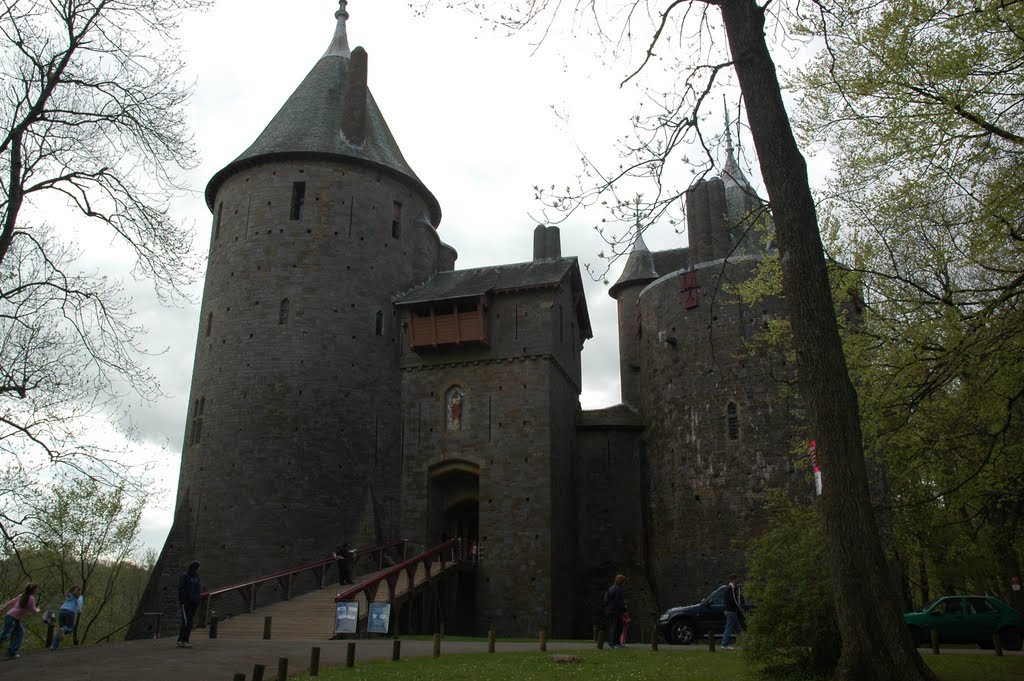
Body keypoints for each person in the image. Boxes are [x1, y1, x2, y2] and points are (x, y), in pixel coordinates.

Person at [0, 582, 40, 659]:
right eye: (36, 589)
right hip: (12, 618)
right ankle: (11, 653)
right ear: (33, 590)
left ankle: (11, 653)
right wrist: (38, 609)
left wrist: (3, 608)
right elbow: (34, 611)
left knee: (19, 633)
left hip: (11, 616)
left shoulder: (23, 595)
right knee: (5, 634)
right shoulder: (31, 598)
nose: (37, 590)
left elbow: (11, 602)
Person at [50, 585, 83, 651]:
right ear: (79, 591)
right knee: (70, 628)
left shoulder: (68, 595)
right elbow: (79, 606)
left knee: (62, 629)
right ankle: (63, 630)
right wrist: (79, 611)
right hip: (70, 612)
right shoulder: (79, 597)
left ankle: (53, 646)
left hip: (62, 611)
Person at [177, 560, 201, 648]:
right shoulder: (185, 576)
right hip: (186, 603)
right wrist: (183, 601)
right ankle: (184, 640)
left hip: (194, 602)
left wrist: (198, 599)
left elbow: (198, 589)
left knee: (188, 621)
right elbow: (181, 589)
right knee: (187, 622)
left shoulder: (196, 577)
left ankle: (181, 639)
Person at [720, 574, 745, 649]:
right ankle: (724, 644)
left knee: (738, 629)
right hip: (731, 611)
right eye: (737, 579)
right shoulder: (730, 588)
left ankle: (744, 643)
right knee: (729, 628)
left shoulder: (730, 588)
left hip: (730, 611)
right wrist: (739, 608)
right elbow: (734, 600)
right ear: (733, 579)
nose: (738, 580)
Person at [604, 574, 627, 648]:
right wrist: (624, 609)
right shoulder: (618, 589)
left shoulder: (611, 588)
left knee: (617, 627)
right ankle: (612, 643)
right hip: (614, 611)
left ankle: (616, 642)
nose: (624, 583)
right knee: (614, 627)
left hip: (611, 610)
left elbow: (605, 600)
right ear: (621, 581)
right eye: (623, 581)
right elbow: (619, 602)